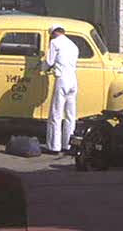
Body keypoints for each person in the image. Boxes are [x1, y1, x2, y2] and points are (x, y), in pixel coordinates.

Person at [45, 24, 79, 155]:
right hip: (73, 80)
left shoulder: (54, 43)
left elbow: (49, 62)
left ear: (53, 33)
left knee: (56, 114)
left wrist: (42, 68)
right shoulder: (73, 45)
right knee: (70, 114)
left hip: (62, 80)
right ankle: (69, 145)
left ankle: (54, 146)